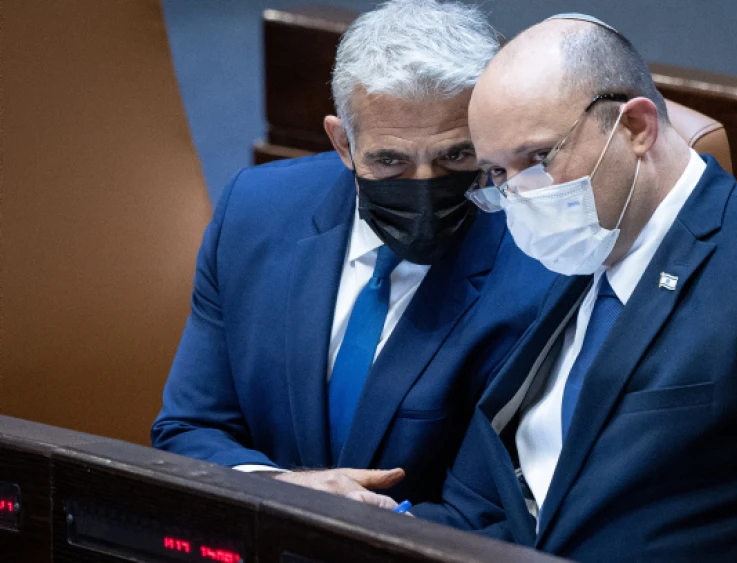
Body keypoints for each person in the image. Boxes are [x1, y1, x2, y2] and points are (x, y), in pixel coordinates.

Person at [360, 13, 737, 562]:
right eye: (499, 176)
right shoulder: (573, 261)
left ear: (635, 127)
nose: (521, 196)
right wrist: (357, 521)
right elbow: (489, 510)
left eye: (538, 159)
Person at [151, 0, 556, 506]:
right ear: (343, 144)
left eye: (455, 155)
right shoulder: (255, 214)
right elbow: (189, 429)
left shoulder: (542, 269)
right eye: (390, 160)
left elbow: (496, 511)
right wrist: (281, 490)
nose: (424, 185)